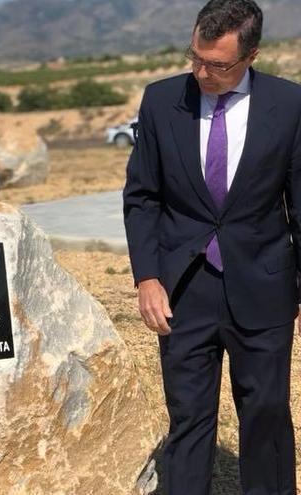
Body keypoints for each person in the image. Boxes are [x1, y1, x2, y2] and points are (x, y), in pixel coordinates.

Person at [123, 0, 301, 493]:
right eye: (195, 57)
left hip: (264, 287)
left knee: (265, 419)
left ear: (252, 55)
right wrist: (147, 277)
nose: (201, 72)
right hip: (183, 290)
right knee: (189, 420)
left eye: (217, 64)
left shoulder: (289, 106)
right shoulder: (161, 101)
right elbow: (142, 197)